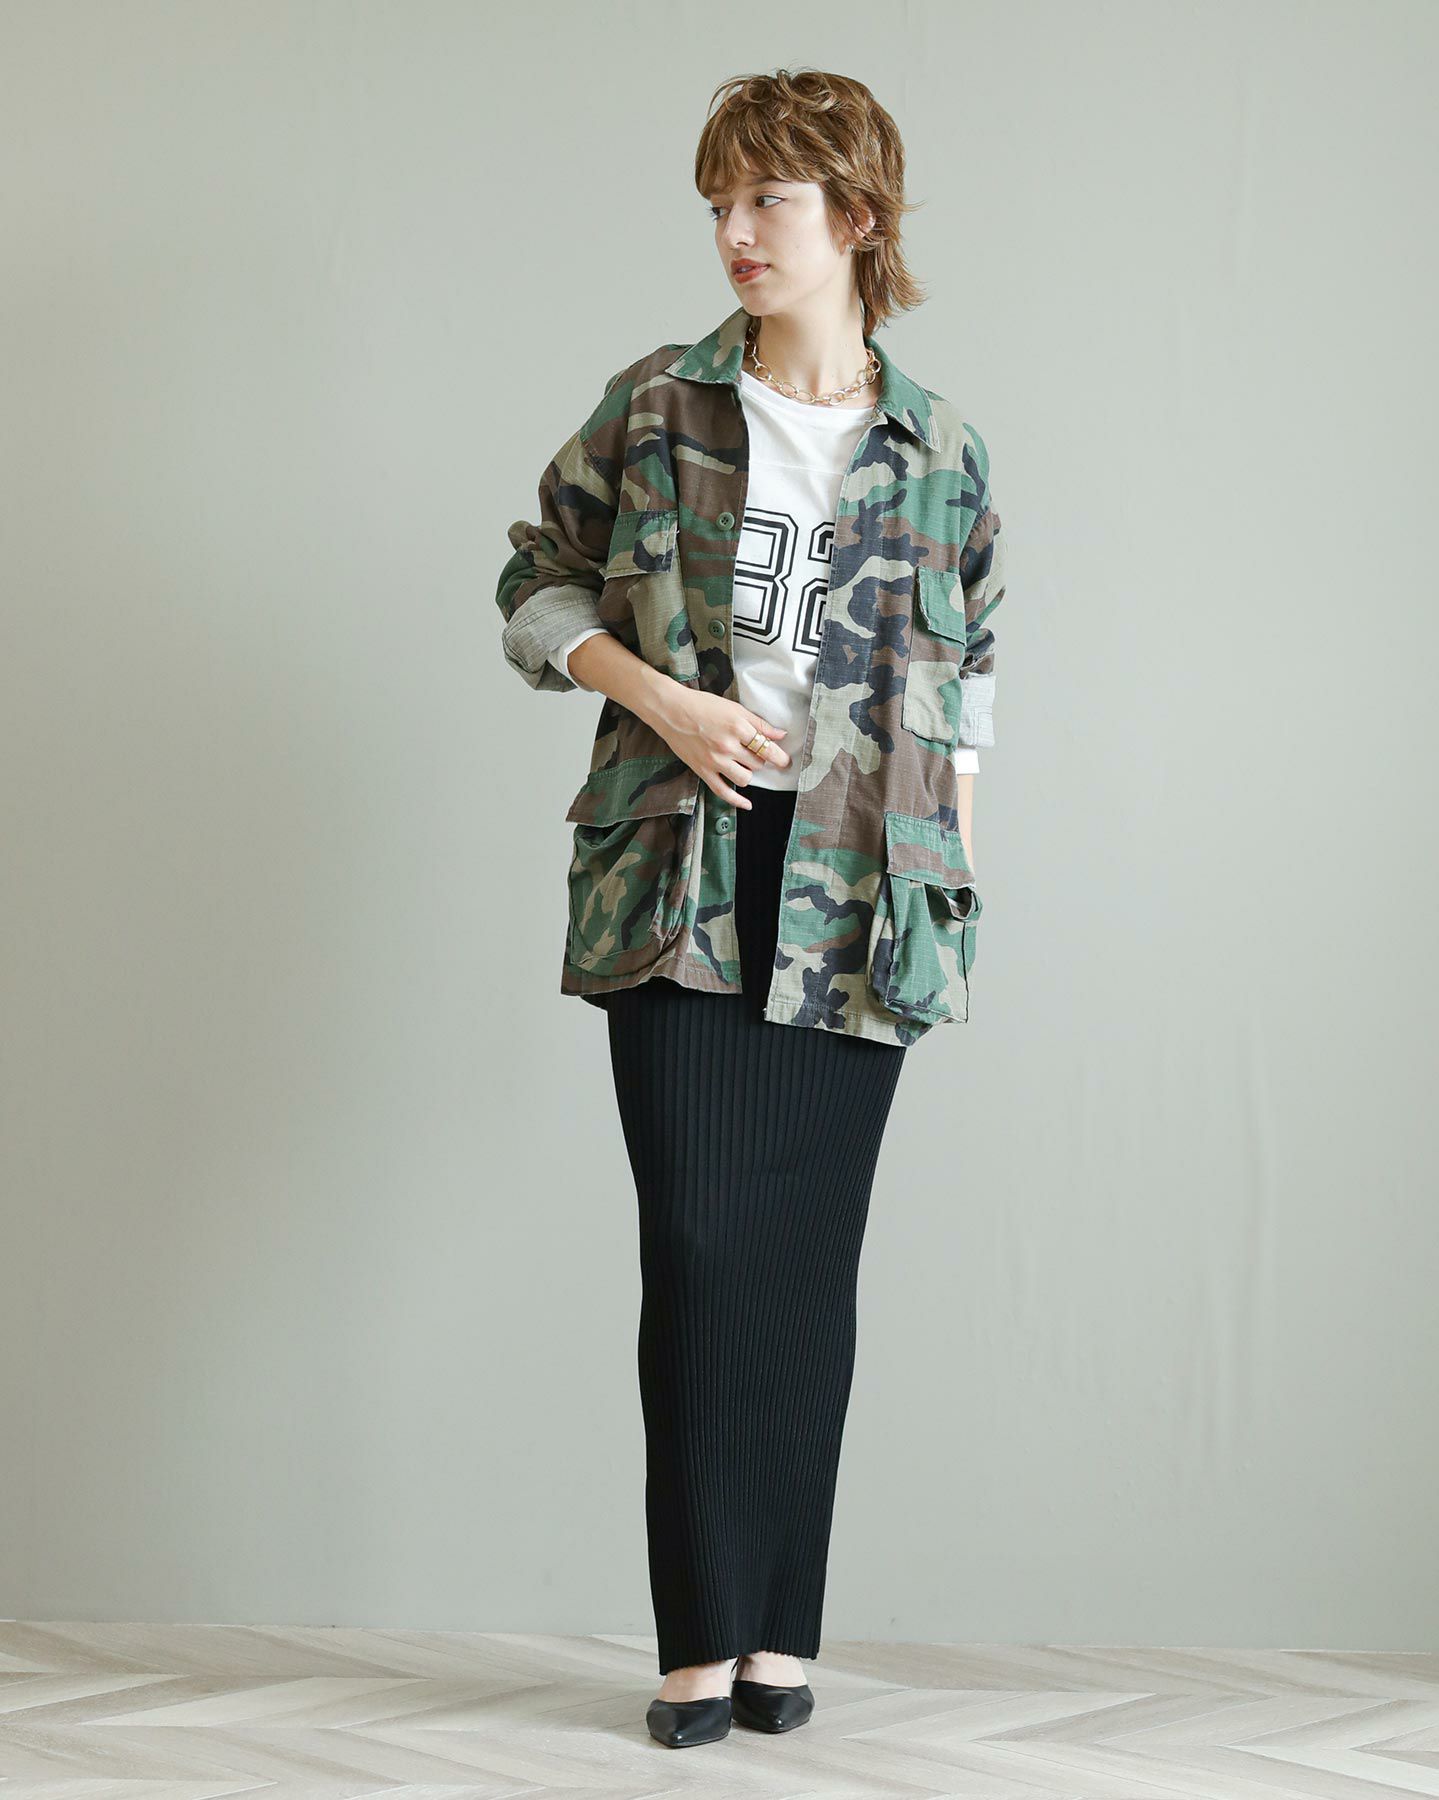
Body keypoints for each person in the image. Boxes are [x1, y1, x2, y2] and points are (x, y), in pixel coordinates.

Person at [494, 67, 1006, 1750]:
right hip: (686, 871)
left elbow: (970, 687)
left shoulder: (942, 450)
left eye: (765, 200)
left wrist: (954, 887)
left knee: (806, 1264)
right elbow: (534, 578)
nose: (732, 230)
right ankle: (699, 1638)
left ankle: (784, 1633)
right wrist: (659, 698)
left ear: (854, 217)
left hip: (865, 891)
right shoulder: (658, 406)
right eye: (718, 200)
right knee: (701, 1248)